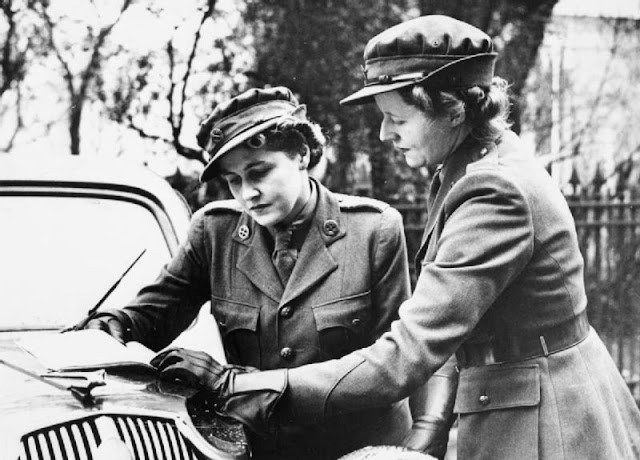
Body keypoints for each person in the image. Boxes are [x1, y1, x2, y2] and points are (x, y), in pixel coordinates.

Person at [191, 15, 640, 459]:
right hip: (530, 397)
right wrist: (430, 426)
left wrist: (245, 385)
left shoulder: (492, 191)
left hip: (547, 422)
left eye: (395, 117)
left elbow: (408, 352)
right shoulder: (470, 165)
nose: (386, 134)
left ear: (451, 108)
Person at [79, 86, 434, 459]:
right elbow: (153, 315)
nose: (247, 194)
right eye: (233, 181)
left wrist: (233, 383)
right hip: (260, 451)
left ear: (301, 154)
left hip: (359, 451)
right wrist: (109, 327)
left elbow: (386, 371)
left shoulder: (373, 230)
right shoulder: (215, 232)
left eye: (259, 172)